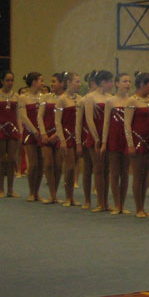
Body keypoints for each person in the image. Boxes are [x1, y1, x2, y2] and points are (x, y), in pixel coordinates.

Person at [124, 72, 149, 218]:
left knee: (145, 174)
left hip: (148, 141)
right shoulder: (132, 101)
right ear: (142, 84)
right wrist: (130, 144)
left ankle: (142, 206)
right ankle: (138, 208)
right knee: (138, 175)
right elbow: (127, 124)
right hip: (137, 141)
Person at [100, 73, 131, 214]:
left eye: (129, 81)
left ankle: (122, 204)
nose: (128, 84)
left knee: (125, 172)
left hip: (126, 138)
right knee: (114, 172)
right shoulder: (110, 101)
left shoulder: (131, 101)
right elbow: (106, 123)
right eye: (124, 81)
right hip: (114, 137)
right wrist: (104, 142)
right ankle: (116, 203)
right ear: (117, 83)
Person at [83, 70, 113, 212]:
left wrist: (106, 138)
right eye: (110, 81)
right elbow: (89, 119)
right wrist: (97, 138)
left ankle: (106, 202)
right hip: (95, 136)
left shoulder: (110, 97)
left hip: (107, 135)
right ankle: (100, 202)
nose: (112, 84)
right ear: (102, 82)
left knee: (107, 170)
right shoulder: (90, 97)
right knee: (98, 169)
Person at [0, 70, 20, 198]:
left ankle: (10, 189)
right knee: (2, 159)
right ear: (2, 81)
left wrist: (20, 132)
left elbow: (18, 116)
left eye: (11, 80)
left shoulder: (16, 96)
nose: (10, 83)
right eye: (7, 80)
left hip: (13, 129)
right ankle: (1, 189)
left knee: (12, 159)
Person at [54, 72, 82, 207]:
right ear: (68, 83)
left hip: (78, 136)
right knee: (69, 168)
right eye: (77, 81)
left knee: (75, 167)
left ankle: (72, 197)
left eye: (79, 81)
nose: (79, 84)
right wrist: (62, 140)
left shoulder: (80, 99)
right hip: (66, 136)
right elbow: (57, 122)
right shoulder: (62, 99)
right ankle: (67, 196)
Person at [37, 73, 64, 203]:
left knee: (58, 166)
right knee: (48, 164)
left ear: (62, 83)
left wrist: (57, 134)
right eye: (51, 81)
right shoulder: (46, 97)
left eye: (54, 81)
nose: (51, 84)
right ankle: (52, 194)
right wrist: (43, 134)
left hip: (59, 135)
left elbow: (67, 120)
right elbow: (39, 116)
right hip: (46, 135)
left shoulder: (66, 99)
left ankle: (55, 193)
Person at [19, 72, 44, 202]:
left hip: (42, 132)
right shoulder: (23, 97)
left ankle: (37, 191)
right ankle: (31, 192)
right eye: (41, 80)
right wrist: (34, 130)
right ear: (34, 82)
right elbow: (23, 116)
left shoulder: (43, 97)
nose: (43, 83)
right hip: (30, 132)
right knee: (33, 164)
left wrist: (43, 131)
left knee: (40, 164)